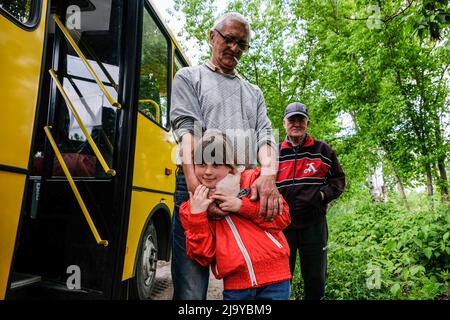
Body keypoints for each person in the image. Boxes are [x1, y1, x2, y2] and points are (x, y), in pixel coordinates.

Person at [170, 12, 282, 300]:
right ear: (212, 36)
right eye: (229, 39)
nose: (234, 48)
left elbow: (265, 136)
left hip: (242, 189)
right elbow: (187, 130)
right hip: (198, 184)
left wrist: (268, 175)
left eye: (241, 44)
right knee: (192, 288)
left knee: (247, 280)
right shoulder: (189, 77)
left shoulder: (253, 92)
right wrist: (196, 186)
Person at [180, 132, 292, 300]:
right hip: (236, 288)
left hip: (276, 281)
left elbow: (282, 218)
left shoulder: (253, 180)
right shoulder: (191, 206)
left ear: (230, 166)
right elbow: (203, 256)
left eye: (217, 164)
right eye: (201, 164)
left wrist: (242, 206)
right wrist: (197, 217)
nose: (208, 172)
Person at [276, 102, 345, 300]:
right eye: (292, 120)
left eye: (301, 119)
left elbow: (338, 180)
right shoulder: (273, 152)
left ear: (307, 123)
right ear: (284, 123)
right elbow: (261, 181)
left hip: (314, 225)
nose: (296, 123)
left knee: (315, 278)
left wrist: (322, 195)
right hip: (282, 225)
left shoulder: (323, 150)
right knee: (280, 277)